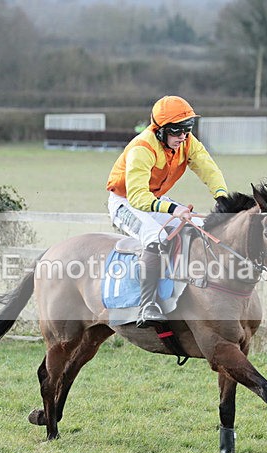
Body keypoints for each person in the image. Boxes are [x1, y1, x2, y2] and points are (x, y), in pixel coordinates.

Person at [106, 95, 229, 328]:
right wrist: (175, 209)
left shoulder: (187, 142)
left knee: (199, 228)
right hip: (126, 201)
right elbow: (138, 197)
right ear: (160, 130)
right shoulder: (142, 148)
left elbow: (208, 168)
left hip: (155, 199)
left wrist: (222, 197)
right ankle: (147, 305)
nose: (183, 137)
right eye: (177, 131)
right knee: (156, 236)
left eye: (187, 130)